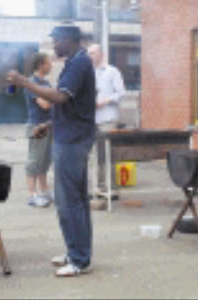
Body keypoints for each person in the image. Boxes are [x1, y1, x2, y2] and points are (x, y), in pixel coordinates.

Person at [7, 25, 96, 277]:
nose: (53, 45)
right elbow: (71, 106)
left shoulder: (79, 63)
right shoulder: (74, 62)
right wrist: (49, 124)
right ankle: (76, 252)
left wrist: (25, 82)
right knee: (75, 201)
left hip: (72, 141)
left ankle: (78, 259)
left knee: (69, 202)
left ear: (69, 40)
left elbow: (59, 97)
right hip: (69, 135)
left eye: (56, 40)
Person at [87, 43, 126, 201]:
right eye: (88, 53)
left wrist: (105, 101)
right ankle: (100, 187)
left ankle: (112, 188)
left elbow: (121, 92)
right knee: (96, 155)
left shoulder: (112, 71)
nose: (90, 56)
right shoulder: (87, 73)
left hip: (107, 118)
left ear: (101, 54)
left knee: (109, 154)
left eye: (93, 53)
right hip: (91, 120)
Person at [24, 53, 54, 208]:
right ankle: (32, 195)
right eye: (49, 63)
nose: (51, 66)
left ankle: (44, 190)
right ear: (41, 64)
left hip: (48, 125)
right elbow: (45, 104)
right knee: (35, 160)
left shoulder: (46, 84)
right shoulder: (31, 83)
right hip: (37, 126)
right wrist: (52, 100)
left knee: (45, 160)